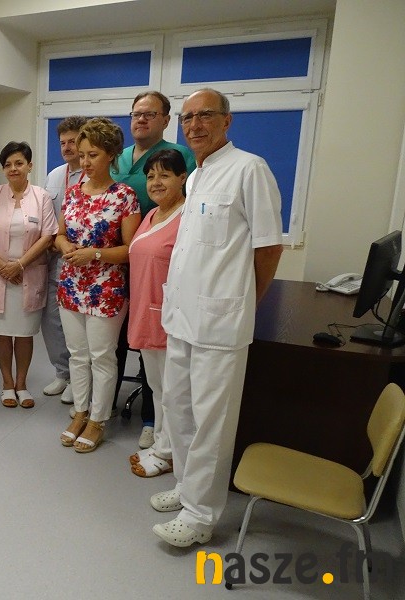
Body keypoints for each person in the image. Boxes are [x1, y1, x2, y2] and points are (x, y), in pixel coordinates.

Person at [150, 88, 283, 547]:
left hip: (219, 323)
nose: (194, 125)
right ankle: (186, 489)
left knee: (211, 422)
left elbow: (269, 248)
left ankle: (201, 515)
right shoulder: (196, 176)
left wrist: (246, 301)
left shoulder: (249, 169)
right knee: (179, 409)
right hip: (182, 316)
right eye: (187, 118)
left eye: (205, 115)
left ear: (227, 121)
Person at [112, 90, 197, 450]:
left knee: (168, 382)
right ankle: (153, 431)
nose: (141, 119)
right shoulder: (146, 212)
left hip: (164, 295)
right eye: (136, 114)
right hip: (131, 282)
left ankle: (158, 431)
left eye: (150, 114)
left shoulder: (186, 205)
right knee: (132, 355)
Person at [56, 117, 141, 453]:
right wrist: (65, 246)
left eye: (93, 155)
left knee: (102, 357)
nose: (85, 161)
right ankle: (80, 412)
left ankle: (98, 419)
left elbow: (130, 250)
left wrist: (93, 254)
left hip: (106, 289)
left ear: (111, 155)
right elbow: (59, 234)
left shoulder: (124, 196)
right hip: (71, 286)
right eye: (82, 155)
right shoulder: (73, 193)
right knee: (77, 355)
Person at [0, 142, 58, 408]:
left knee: (24, 334)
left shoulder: (41, 197)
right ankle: (7, 384)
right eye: (8, 164)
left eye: (19, 163)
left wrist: (19, 265)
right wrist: (3, 266)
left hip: (28, 275)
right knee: (1, 333)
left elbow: (47, 237)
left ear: (29, 166)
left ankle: (22, 384)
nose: (13, 168)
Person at [126, 149, 188, 478]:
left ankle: (170, 453)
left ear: (182, 178)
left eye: (165, 175)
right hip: (145, 311)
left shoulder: (187, 217)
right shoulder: (151, 215)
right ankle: (162, 445)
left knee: (173, 392)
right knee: (158, 387)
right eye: (151, 176)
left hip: (170, 317)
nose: (156, 182)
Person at [41, 116, 88, 404]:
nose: (68, 147)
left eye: (73, 141)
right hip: (55, 258)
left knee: (78, 326)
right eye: (63, 142)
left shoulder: (95, 174)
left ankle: (79, 378)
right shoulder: (55, 175)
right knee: (52, 321)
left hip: (83, 261)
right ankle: (62, 372)